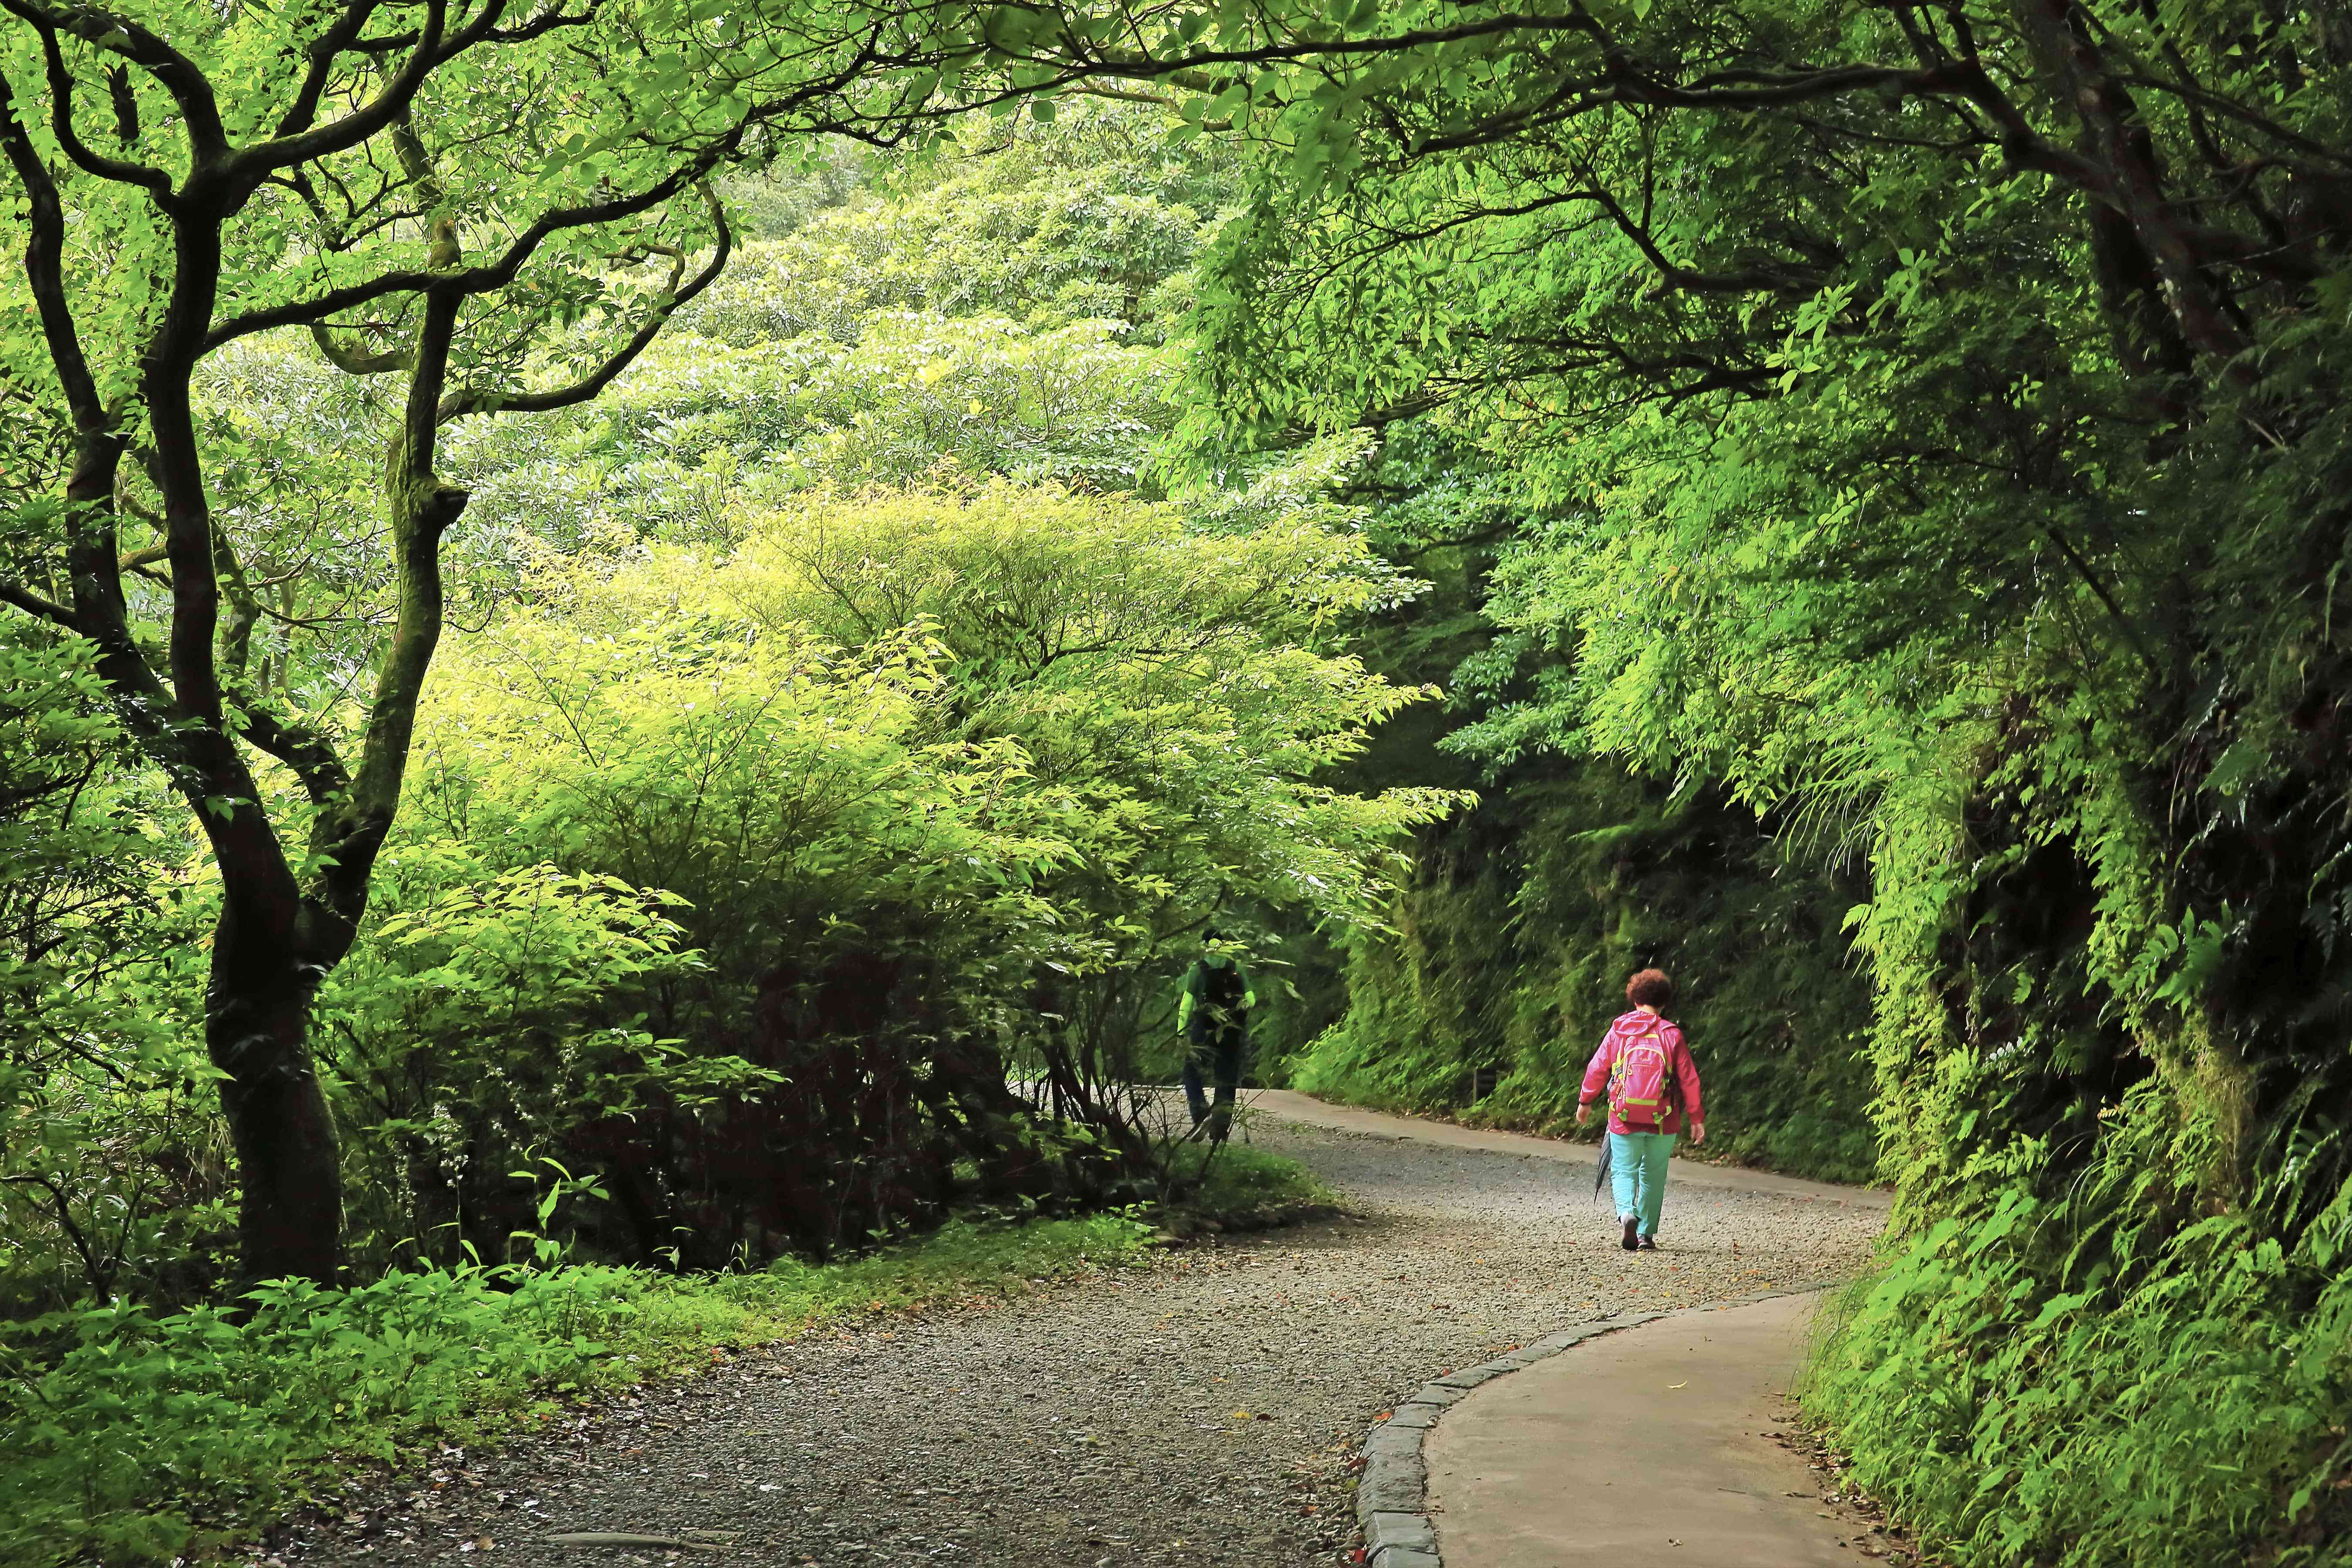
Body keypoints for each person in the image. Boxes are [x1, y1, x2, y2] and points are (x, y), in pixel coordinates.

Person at [1575, 967, 1704, 1251]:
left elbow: (1598, 1067)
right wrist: (1696, 1117)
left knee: (1623, 1170)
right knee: (1653, 1175)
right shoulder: (1671, 1035)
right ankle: (1646, 1234)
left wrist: (1586, 1101)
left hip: (1624, 1116)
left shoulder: (1619, 1030)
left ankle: (1627, 1215)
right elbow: (1689, 1078)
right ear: (1664, 1003)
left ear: (1635, 999)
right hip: (1664, 1119)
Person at [1177, 936, 1254, 1143]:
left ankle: (1201, 1115)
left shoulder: (1197, 969)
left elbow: (1186, 1003)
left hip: (1204, 1028)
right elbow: (1252, 1000)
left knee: (1191, 1070)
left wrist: (1181, 1033)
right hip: (1231, 1030)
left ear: (1205, 945)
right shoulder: (1236, 966)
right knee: (1226, 1075)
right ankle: (1220, 1126)